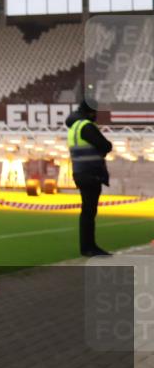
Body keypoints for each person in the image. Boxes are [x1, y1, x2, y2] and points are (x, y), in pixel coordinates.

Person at [65, 100, 114, 257]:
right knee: (89, 212)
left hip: (80, 172)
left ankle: (87, 247)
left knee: (87, 211)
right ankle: (89, 247)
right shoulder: (86, 126)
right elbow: (106, 145)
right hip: (90, 173)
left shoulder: (74, 127)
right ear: (90, 112)